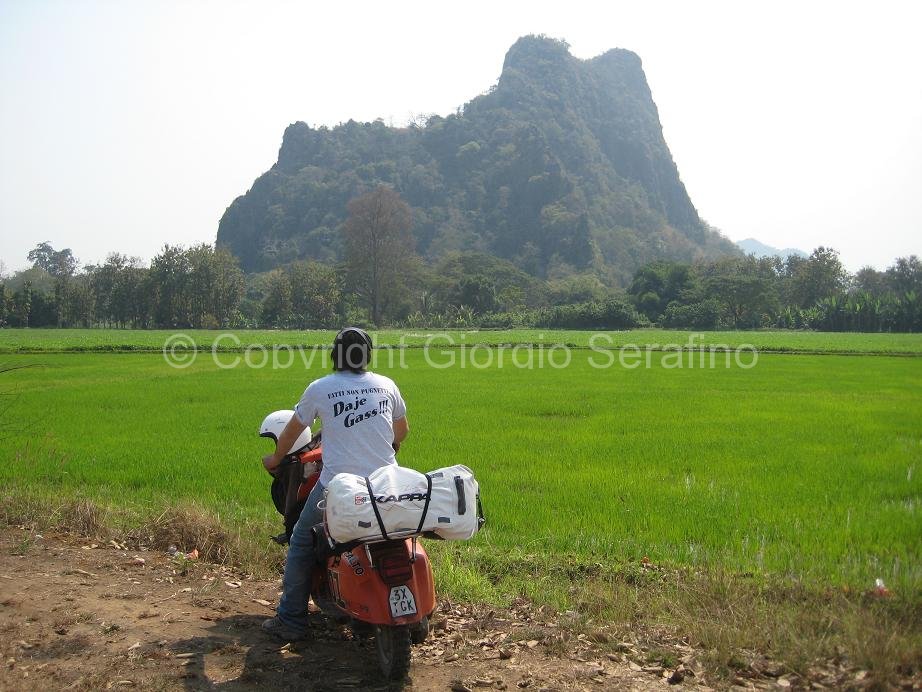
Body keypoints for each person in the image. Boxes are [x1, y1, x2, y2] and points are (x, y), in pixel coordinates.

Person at [261, 327, 409, 640]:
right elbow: (402, 432)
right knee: (400, 535)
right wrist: (386, 447)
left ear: (335, 356)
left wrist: (275, 459)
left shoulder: (321, 388)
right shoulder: (387, 385)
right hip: (386, 486)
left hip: (335, 489)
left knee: (301, 539)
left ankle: (291, 620)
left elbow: (292, 431)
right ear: (367, 356)